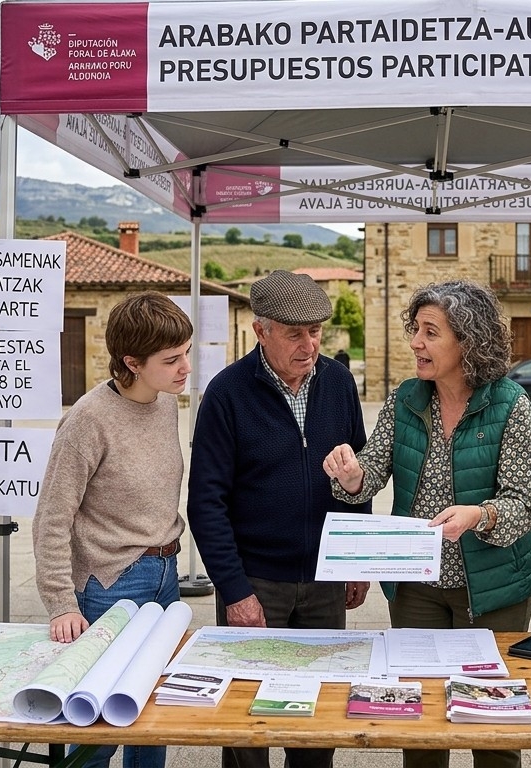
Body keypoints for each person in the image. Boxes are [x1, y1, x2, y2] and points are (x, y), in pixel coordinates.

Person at [323, 280, 531, 768]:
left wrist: (479, 515)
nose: (416, 343)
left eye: (430, 332)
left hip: (493, 590)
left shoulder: (510, 404)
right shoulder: (405, 398)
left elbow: (522, 502)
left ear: (468, 339)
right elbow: (372, 467)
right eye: (415, 330)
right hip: (416, 586)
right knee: (419, 727)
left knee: (494, 730)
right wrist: (353, 477)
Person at [187, 270, 370, 768]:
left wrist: (355, 559)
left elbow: (360, 473)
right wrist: (235, 589)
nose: (309, 344)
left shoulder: (338, 382)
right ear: (260, 330)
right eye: (294, 333)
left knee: (318, 725)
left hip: (326, 579)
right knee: (249, 724)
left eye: (315, 331)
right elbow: (206, 502)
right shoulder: (225, 394)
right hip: (255, 582)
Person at [33, 292, 193, 768]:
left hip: (166, 574)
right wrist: (61, 601)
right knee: (96, 726)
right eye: (171, 359)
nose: (186, 366)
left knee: (148, 715)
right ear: (132, 362)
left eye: (186, 353)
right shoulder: (87, 420)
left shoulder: (166, 404)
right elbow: (51, 517)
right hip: (109, 583)